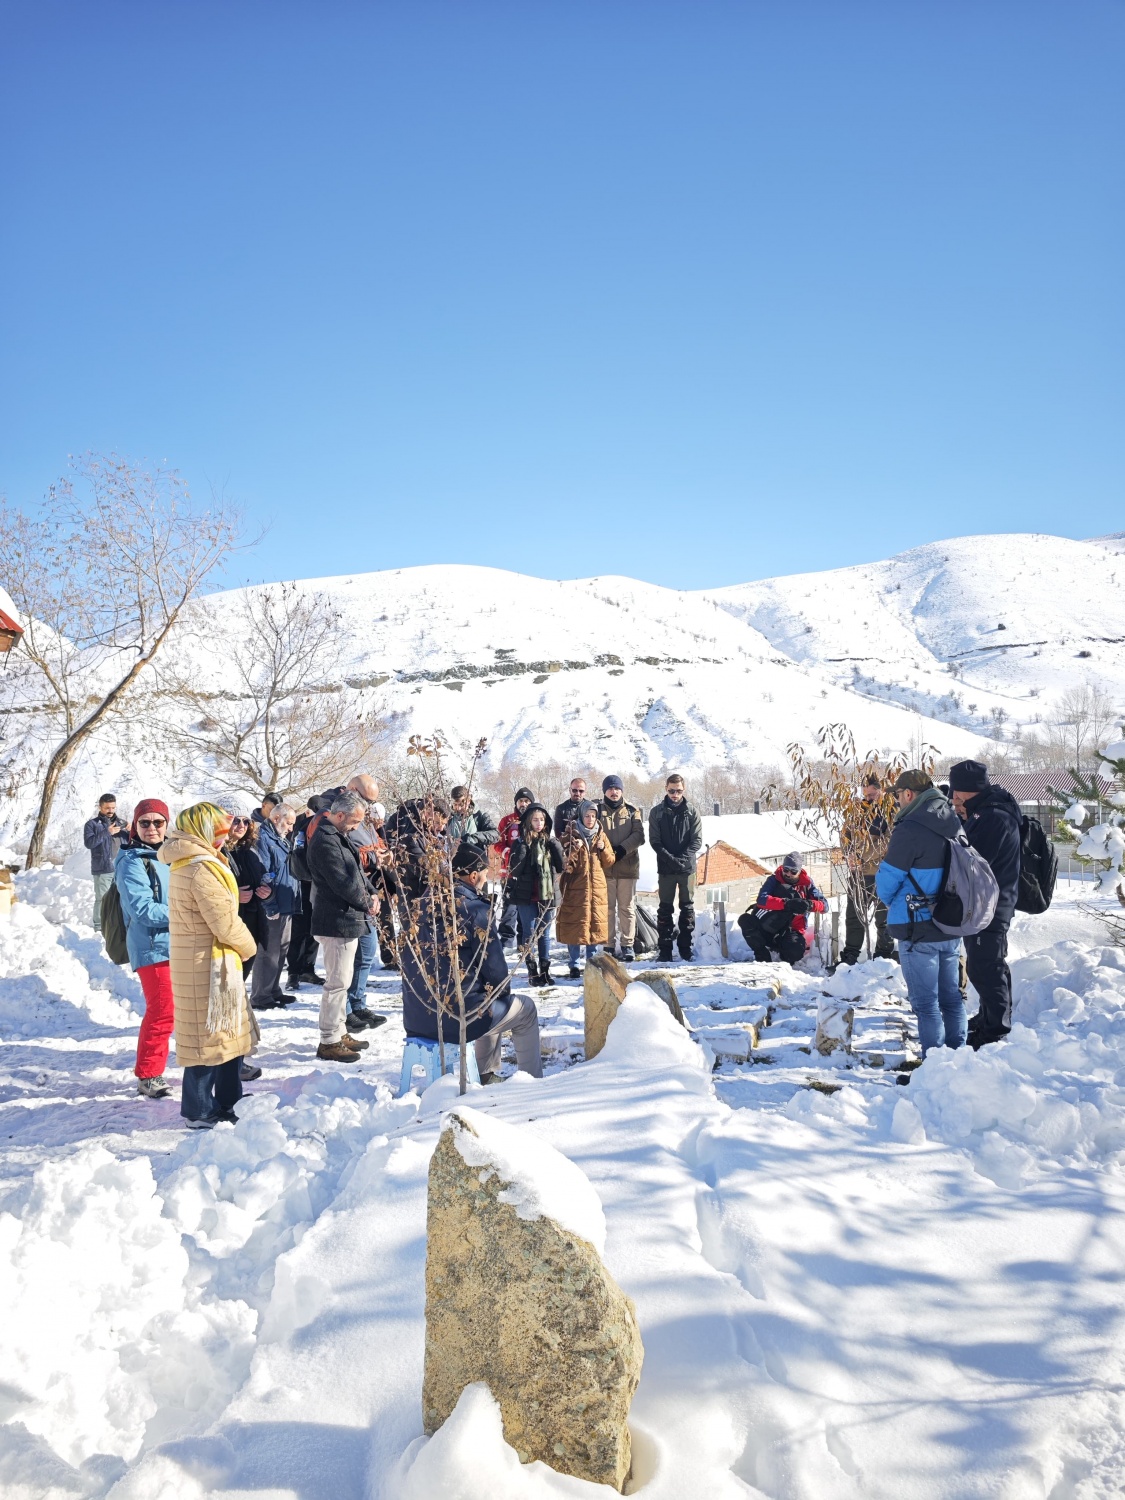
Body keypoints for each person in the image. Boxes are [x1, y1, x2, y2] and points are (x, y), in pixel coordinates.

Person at [400, 842, 543, 1085]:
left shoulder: (417, 907)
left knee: (487, 998)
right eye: (486, 875)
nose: (487, 880)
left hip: (417, 1017)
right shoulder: (475, 909)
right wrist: (502, 992)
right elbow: (496, 971)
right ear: (474, 875)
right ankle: (534, 1082)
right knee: (523, 1008)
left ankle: (485, 1073)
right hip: (456, 1019)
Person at [162, 803, 257, 1128]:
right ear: (202, 830)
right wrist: (249, 946)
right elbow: (225, 922)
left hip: (209, 961)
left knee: (221, 1036)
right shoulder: (199, 867)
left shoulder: (195, 860)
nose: (225, 833)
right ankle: (199, 1110)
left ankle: (226, 1101)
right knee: (207, 1042)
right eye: (218, 828)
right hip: (206, 963)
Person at [875, 770, 967, 1059]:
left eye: (897, 796)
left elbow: (887, 881)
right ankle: (958, 1059)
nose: (897, 802)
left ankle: (933, 1068)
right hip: (952, 921)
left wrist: (893, 900)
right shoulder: (954, 821)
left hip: (918, 926)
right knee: (952, 999)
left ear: (909, 794)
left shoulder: (910, 827)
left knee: (926, 1004)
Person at [949, 759, 1022, 1049]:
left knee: (985, 967)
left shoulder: (993, 818)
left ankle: (995, 1031)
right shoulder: (987, 810)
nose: (953, 801)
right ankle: (989, 1018)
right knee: (989, 964)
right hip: (991, 902)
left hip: (992, 905)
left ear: (967, 793)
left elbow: (974, 861)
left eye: (955, 795)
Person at [306, 790, 377, 1064]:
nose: (356, 828)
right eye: (354, 822)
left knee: (342, 981)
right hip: (336, 920)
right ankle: (329, 1040)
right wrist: (366, 902)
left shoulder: (338, 836)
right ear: (339, 815)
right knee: (336, 984)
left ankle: (339, 1030)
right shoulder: (325, 841)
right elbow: (341, 881)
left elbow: (357, 873)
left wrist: (373, 893)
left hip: (347, 918)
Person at [114, 798, 173, 1099]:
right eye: (145, 822)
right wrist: (186, 912)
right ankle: (148, 1074)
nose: (152, 828)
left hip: (177, 944)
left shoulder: (169, 855)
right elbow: (143, 911)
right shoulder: (132, 861)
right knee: (163, 1010)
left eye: (158, 822)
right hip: (151, 946)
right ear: (135, 826)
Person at [838, 776, 895, 967]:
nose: (868, 798)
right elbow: (844, 835)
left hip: (882, 873)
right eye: (865, 794)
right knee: (853, 917)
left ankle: (883, 957)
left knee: (883, 919)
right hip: (858, 874)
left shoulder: (891, 811)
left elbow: (888, 841)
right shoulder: (856, 811)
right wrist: (849, 854)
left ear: (882, 790)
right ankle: (850, 957)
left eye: (872, 794)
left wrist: (862, 855)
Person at [506, 802, 564, 987]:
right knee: (529, 934)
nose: (539, 823)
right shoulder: (520, 842)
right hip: (526, 895)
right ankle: (532, 972)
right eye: (535, 820)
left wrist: (554, 844)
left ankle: (545, 971)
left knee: (545, 934)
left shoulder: (549, 841)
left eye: (542, 820)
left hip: (546, 895)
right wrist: (523, 846)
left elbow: (561, 865)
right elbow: (515, 870)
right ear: (528, 822)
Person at [556, 800, 615, 978]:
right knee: (575, 925)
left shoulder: (601, 835)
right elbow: (564, 864)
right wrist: (574, 849)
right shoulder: (570, 834)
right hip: (575, 887)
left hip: (596, 887)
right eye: (587, 816)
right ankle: (574, 965)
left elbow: (610, 861)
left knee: (594, 924)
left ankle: (592, 963)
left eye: (593, 816)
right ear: (581, 815)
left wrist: (603, 849)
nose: (590, 819)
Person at [252, 803, 301, 1011]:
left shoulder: (280, 839)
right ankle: (261, 995)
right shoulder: (264, 838)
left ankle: (273, 989)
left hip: (285, 903)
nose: (291, 828)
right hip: (272, 905)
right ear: (276, 819)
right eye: (288, 823)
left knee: (281, 949)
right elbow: (263, 873)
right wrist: (270, 904)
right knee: (268, 952)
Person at [648, 774, 703, 961]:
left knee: (687, 909)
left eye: (678, 791)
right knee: (665, 909)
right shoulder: (657, 812)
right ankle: (665, 950)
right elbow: (654, 841)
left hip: (687, 869)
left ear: (684, 790)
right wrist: (670, 859)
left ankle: (685, 949)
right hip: (665, 868)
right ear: (666, 789)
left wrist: (682, 858)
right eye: (671, 790)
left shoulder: (692, 812)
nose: (675, 794)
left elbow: (697, 841)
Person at [738, 852, 828, 966]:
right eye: (786, 870)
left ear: (800, 871)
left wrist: (809, 904)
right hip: (769, 925)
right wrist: (786, 904)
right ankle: (761, 952)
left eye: (793, 871)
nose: (788, 874)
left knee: (794, 953)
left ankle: (783, 952)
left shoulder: (807, 884)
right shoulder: (774, 879)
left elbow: (825, 906)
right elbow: (761, 899)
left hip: (792, 929)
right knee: (745, 920)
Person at [597, 775, 646, 960]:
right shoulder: (597, 809)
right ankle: (608, 945)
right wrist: (608, 852)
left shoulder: (633, 811)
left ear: (622, 790)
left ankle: (627, 945)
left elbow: (639, 836)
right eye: (610, 788)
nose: (614, 791)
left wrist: (621, 849)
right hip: (605, 868)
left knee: (627, 908)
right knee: (607, 909)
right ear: (605, 791)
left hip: (627, 867)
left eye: (617, 788)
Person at [285, 796, 325, 991]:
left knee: (311, 928)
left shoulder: (309, 824)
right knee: (302, 928)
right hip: (305, 882)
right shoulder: (305, 825)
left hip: (310, 881)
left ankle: (305, 968)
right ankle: (295, 971)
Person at [494, 787, 534, 949]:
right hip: (509, 873)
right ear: (516, 803)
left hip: (529, 875)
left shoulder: (536, 819)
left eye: (526, 801)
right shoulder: (507, 821)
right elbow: (497, 843)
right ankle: (506, 943)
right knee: (509, 910)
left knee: (525, 911)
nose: (523, 804)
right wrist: (509, 853)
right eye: (521, 801)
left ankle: (524, 944)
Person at [84, 793, 127, 932]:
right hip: (103, 868)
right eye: (107, 808)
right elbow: (89, 843)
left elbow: (129, 843)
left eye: (113, 807)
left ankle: (117, 925)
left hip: (121, 868)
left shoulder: (122, 823)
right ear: (100, 807)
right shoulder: (92, 824)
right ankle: (99, 926)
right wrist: (107, 832)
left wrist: (132, 832)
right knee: (102, 898)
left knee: (122, 898)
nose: (111, 811)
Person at [447, 786, 499, 854]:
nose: (458, 808)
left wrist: (472, 838)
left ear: (469, 800)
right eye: (455, 805)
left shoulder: (479, 815)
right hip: (451, 862)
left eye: (461, 804)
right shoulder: (448, 817)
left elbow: (495, 834)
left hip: (475, 860)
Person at [554, 777, 589, 844]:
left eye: (581, 791)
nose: (578, 793)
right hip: (568, 846)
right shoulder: (561, 809)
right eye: (575, 790)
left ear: (585, 792)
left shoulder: (590, 808)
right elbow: (558, 831)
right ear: (570, 790)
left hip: (587, 845)